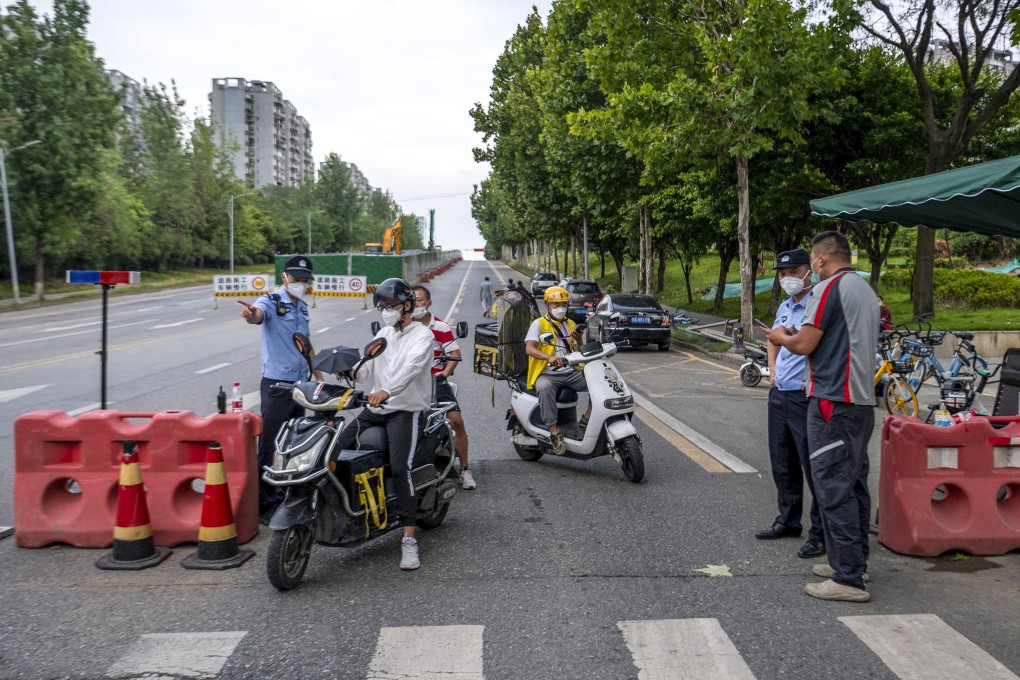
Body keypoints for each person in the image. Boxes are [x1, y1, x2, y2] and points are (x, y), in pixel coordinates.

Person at [766, 231, 879, 603]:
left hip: (832, 399)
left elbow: (805, 344)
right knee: (854, 484)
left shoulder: (829, 288)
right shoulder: (864, 289)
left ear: (819, 261)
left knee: (832, 487)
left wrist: (782, 337)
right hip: (860, 400)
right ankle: (854, 562)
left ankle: (848, 578)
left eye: (811, 261)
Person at [338, 278, 434, 570]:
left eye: (390, 306)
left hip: (404, 409)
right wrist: (352, 373)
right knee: (335, 448)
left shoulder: (423, 336)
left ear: (406, 306)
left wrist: (388, 391)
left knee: (400, 466)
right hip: (374, 408)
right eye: (382, 306)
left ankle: (408, 540)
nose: (386, 311)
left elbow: (411, 369)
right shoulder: (384, 333)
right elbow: (367, 372)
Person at [238, 255, 322, 524]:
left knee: (294, 442)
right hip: (277, 385)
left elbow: (306, 344)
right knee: (271, 444)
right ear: (284, 277)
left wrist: (318, 376)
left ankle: (285, 492)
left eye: (304, 280)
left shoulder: (302, 308)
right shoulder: (271, 302)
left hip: (300, 384)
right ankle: (264, 502)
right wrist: (251, 315)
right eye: (296, 278)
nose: (300, 283)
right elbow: (257, 315)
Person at [755, 249, 825, 560]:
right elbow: (774, 339)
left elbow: (809, 343)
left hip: (804, 395)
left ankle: (820, 532)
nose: (787, 279)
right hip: (780, 393)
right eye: (782, 274)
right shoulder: (785, 306)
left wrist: (785, 341)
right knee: (782, 462)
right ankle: (788, 520)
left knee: (813, 465)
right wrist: (772, 373)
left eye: (793, 272)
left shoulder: (817, 305)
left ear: (808, 271)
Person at [412, 285, 476, 490]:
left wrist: (443, 375)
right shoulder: (403, 326)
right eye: (412, 300)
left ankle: (465, 470)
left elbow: (455, 354)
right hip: (409, 383)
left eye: (419, 300)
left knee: (456, 421)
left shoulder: (440, 327)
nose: (415, 304)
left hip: (434, 382)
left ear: (429, 303)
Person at [524, 286, 591, 455]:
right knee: (545, 388)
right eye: (556, 305)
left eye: (563, 304)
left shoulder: (570, 324)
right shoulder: (539, 323)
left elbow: (577, 350)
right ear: (547, 305)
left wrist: (579, 340)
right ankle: (554, 432)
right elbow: (529, 349)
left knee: (596, 382)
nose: (561, 308)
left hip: (570, 371)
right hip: (547, 372)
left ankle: (586, 419)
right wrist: (549, 358)